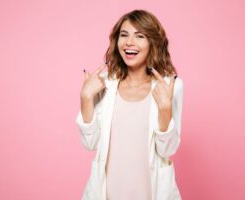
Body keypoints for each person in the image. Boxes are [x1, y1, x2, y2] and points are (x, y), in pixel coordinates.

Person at [76, 9, 184, 200]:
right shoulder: (105, 84)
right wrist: (85, 98)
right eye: (123, 35)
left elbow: (168, 150)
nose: (129, 43)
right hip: (108, 193)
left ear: (153, 43)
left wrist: (165, 109)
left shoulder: (169, 87)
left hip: (152, 192)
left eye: (140, 36)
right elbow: (90, 143)